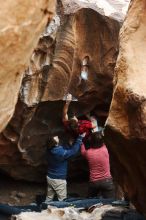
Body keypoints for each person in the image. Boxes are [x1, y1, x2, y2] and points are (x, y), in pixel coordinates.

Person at [45, 133, 85, 202]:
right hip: (58, 180)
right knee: (62, 200)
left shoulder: (50, 150)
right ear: (54, 143)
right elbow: (73, 152)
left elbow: (63, 151)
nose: (57, 136)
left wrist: (69, 145)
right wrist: (79, 139)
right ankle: (62, 211)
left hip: (50, 177)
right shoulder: (59, 153)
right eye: (55, 137)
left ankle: (45, 208)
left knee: (49, 197)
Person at [81, 131, 115, 199]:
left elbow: (82, 151)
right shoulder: (105, 149)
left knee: (89, 202)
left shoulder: (88, 153)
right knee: (110, 202)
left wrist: (81, 142)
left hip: (94, 182)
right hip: (107, 181)